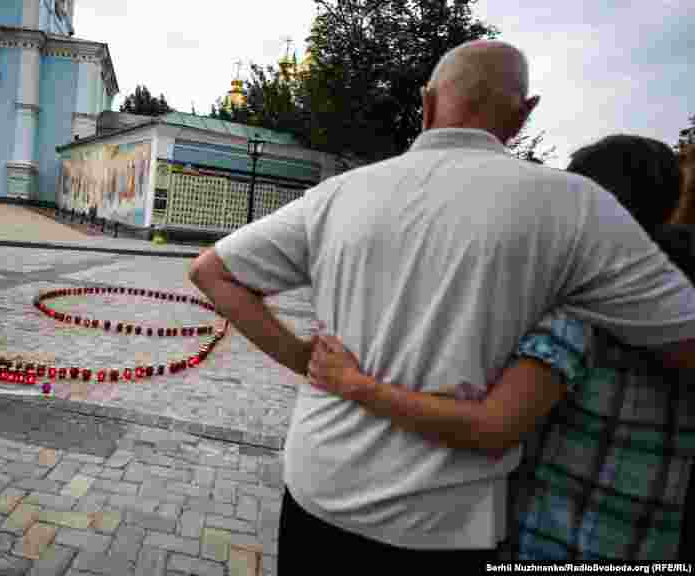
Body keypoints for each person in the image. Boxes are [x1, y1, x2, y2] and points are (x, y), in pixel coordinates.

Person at [188, 39, 695, 567]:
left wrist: (304, 361)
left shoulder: (340, 194)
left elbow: (211, 272)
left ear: (427, 103)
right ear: (524, 114)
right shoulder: (576, 206)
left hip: (320, 489)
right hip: (444, 523)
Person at [305, 134, 694, 561]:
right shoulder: (674, 300)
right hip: (648, 541)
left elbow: (490, 429)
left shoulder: (579, 312)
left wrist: (356, 385)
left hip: (558, 544)